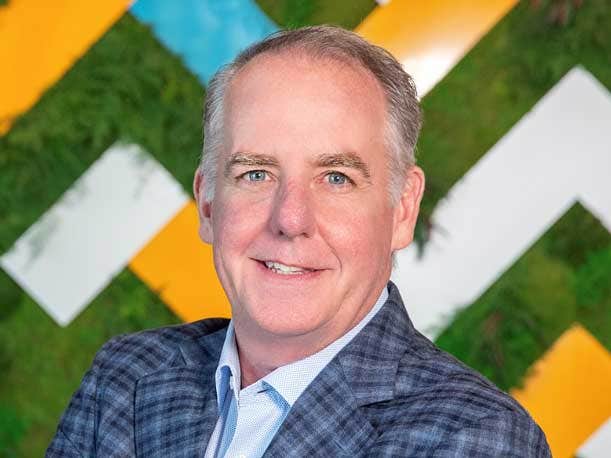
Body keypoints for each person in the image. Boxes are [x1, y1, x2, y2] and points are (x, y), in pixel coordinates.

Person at [47, 26, 550, 457]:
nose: (290, 219)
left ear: (402, 209)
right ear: (207, 203)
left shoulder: (476, 438)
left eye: (336, 178)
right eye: (256, 173)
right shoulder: (127, 378)